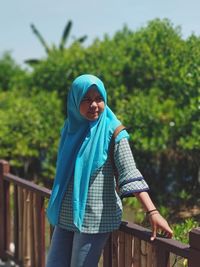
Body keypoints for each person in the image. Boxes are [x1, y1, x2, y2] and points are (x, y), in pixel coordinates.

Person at [46, 74, 173, 267]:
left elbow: (129, 173)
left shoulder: (113, 132)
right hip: (66, 213)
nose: (94, 105)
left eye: (99, 99)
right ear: (74, 101)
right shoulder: (70, 127)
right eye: (86, 99)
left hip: (94, 219)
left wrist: (152, 212)